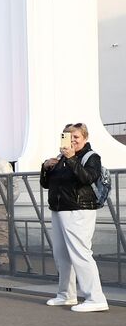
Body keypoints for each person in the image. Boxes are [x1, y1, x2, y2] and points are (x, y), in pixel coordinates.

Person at [41, 123, 109, 313]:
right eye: (68, 137)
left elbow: (87, 178)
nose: (72, 141)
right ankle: (66, 295)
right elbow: (47, 184)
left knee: (80, 253)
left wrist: (71, 159)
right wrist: (45, 167)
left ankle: (96, 298)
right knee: (61, 254)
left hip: (79, 209)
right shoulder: (61, 157)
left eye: (76, 137)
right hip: (60, 208)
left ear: (85, 138)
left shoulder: (91, 157)